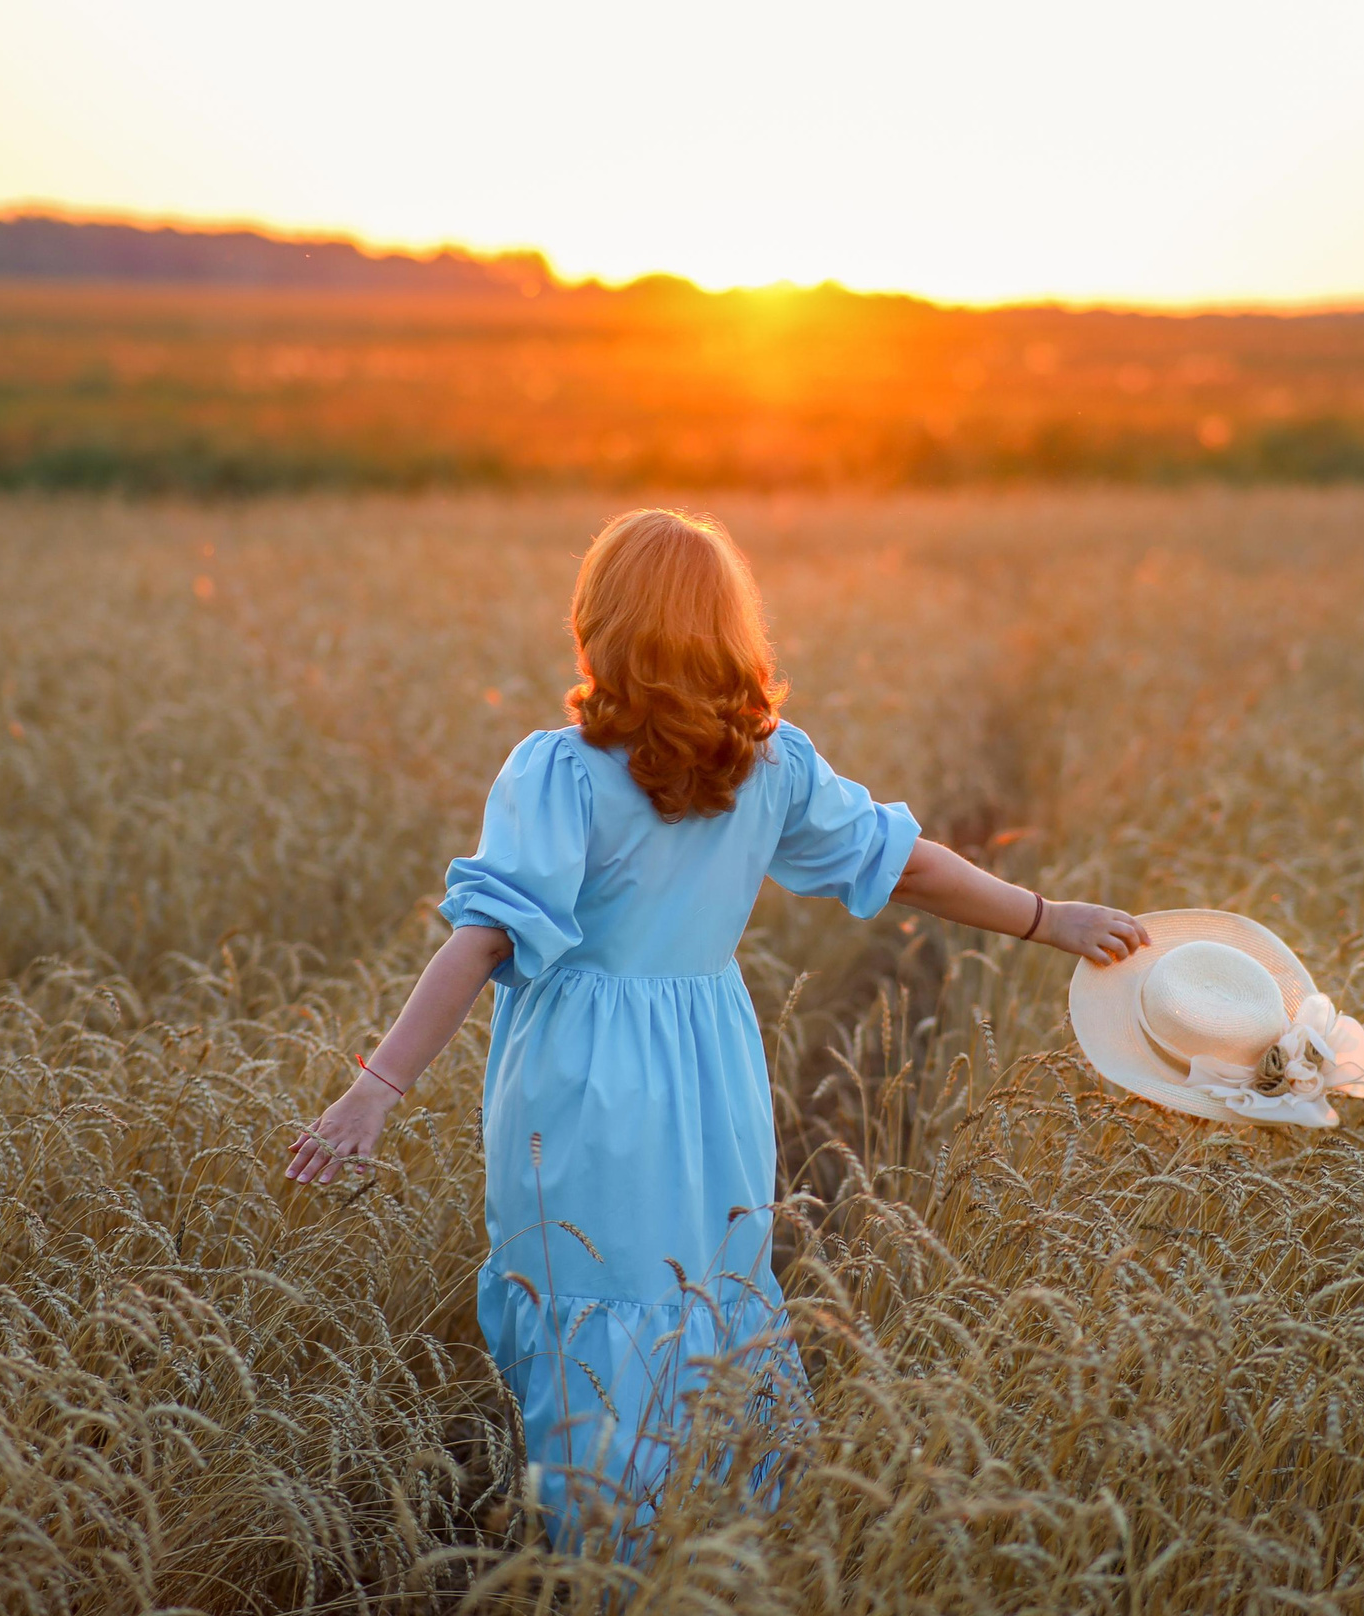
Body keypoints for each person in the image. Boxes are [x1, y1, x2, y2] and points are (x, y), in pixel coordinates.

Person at [285, 508, 1148, 1543]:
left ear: (599, 626)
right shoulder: (768, 765)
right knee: (706, 1288)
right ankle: (726, 1551)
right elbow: (906, 865)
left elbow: (481, 941)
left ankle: (611, 1569)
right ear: (728, 629)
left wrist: (374, 1088)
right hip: (713, 1071)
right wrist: (1050, 918)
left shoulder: (561, 771)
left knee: (595, 1301)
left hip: (582, 1080)